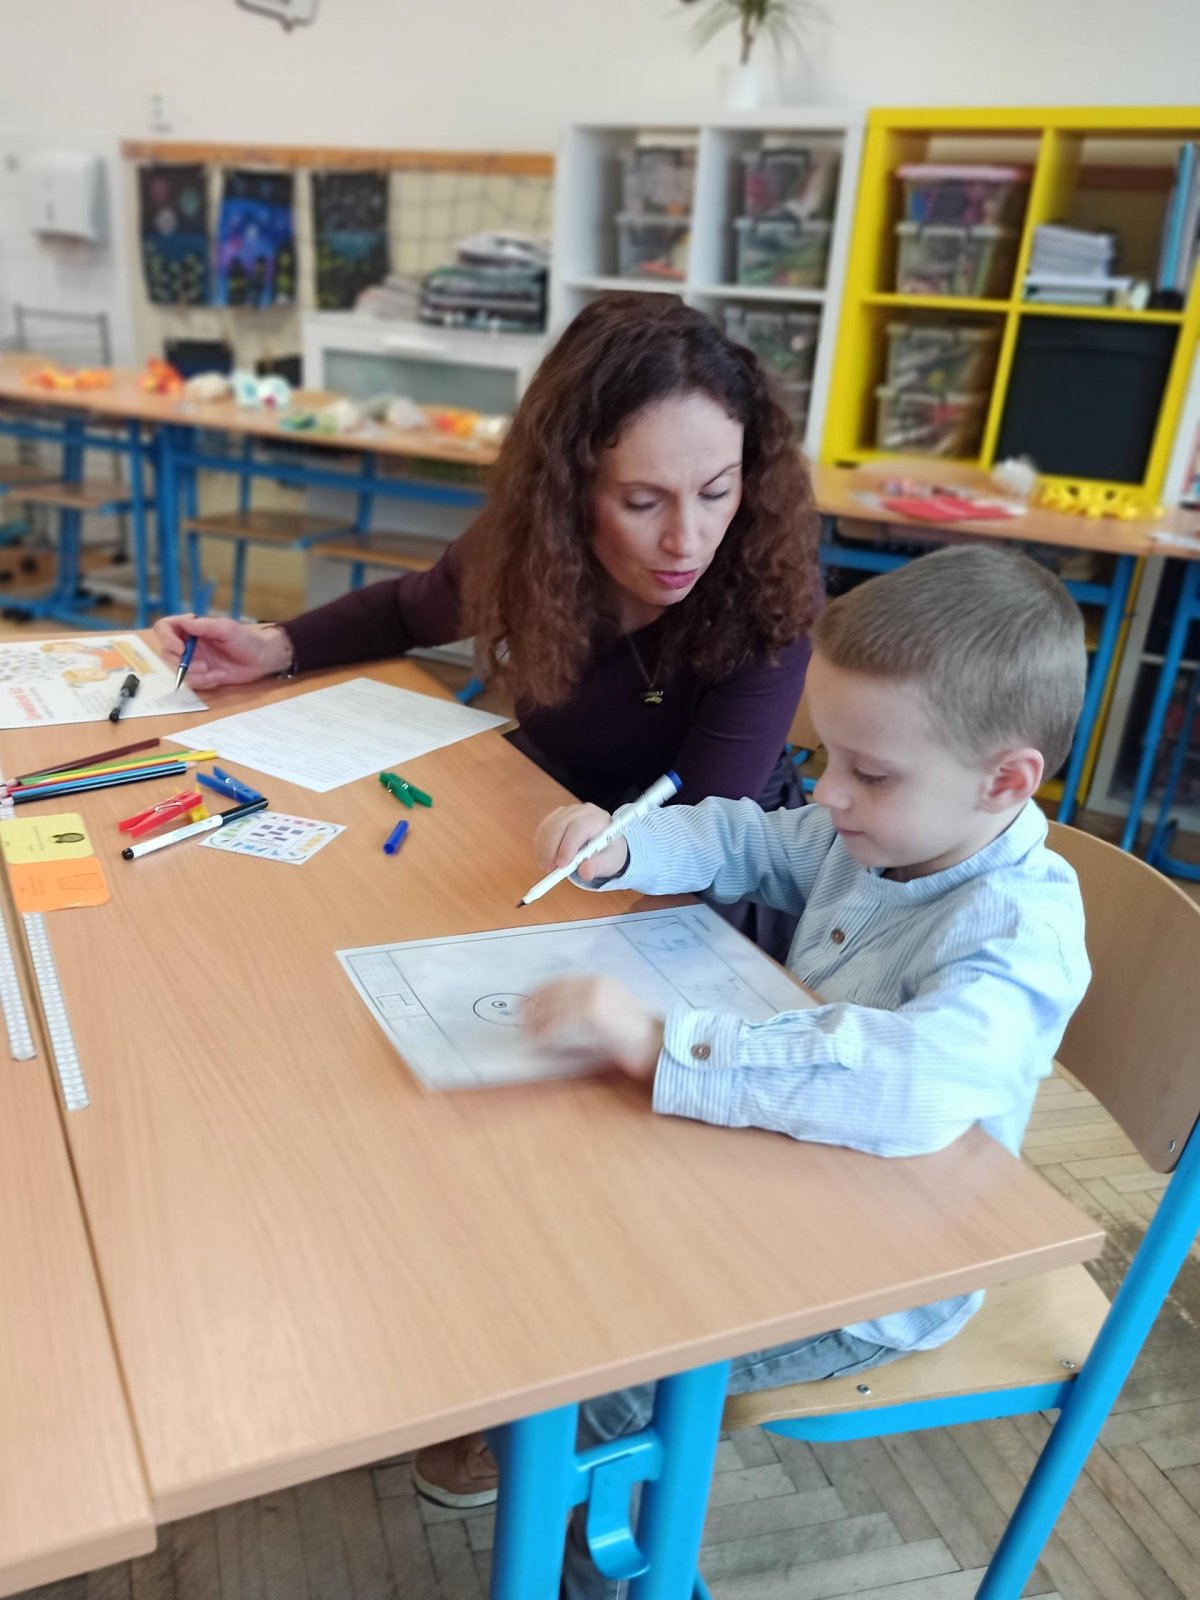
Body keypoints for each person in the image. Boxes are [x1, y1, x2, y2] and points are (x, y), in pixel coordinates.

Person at [416, 544, 1093, 1597]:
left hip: (882, 1276)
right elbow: (752, 841)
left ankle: (594, 1569)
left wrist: (661, 1044)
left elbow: (909, 1082)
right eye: (824, 756)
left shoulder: (1019, 931)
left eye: (870, 772)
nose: (830, 793)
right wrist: (628, 849)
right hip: (775, 1178)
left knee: (596, 1386)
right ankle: (512, 1431)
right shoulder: (875, 834)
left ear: (1005, 780)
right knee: (544, 1227)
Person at [154, 294, 822, 819]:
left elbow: (698, 840)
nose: (687, 540)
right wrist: (273, 646)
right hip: (544, 815)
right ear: (570, 489)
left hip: (695, 878)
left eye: (716, 492)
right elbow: (406, 611)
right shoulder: (538, 548)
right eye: (643, 502)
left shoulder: (764, 596)